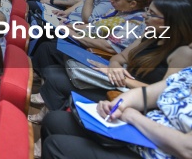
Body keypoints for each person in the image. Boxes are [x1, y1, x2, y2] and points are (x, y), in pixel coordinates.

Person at [32, 0, 192, 122]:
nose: (145, 16)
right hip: (118, 82)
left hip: (136, 99)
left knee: (58, 97)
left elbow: (164, 95)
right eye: (147, 11)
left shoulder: (183, 53)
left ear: (171, 21)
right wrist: (114, 67)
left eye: (152, 14)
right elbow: (120, 56)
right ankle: (44, 117)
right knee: (54, 74)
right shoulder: (150, 35)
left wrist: (121, 77)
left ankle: (51, 122)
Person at [41, 60, 192, 159]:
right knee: (54, 120)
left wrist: (134, 117)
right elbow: (146, 94)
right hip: (137, 134)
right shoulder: (188, 73)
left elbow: (187, 148)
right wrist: (118, 105)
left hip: (156, 153)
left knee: (57, 147)